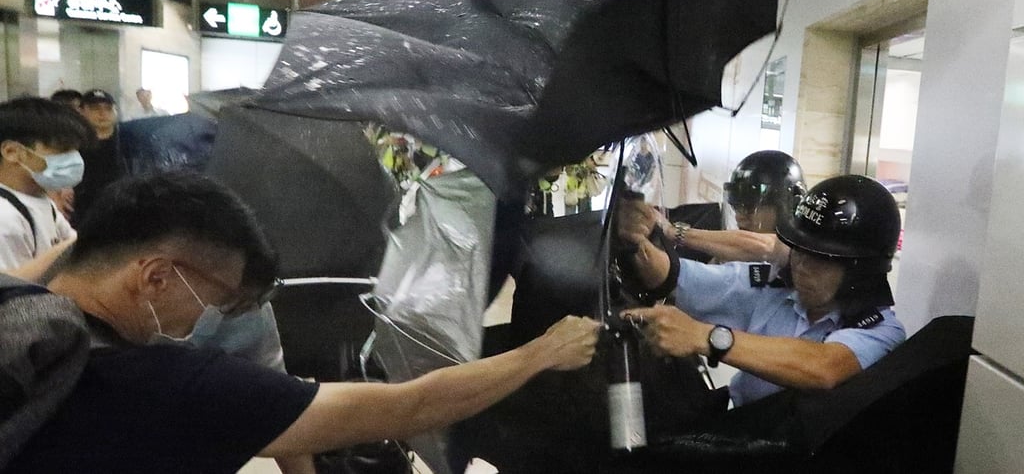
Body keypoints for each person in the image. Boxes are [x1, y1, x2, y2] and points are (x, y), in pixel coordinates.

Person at [6, 172, 599, 473]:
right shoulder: (171, 385)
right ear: (156, 277)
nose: (210, 319)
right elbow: (411, 407)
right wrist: (540, 353)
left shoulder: (15, 309)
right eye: (219, 299)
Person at [617, 174, 906, 407]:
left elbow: (823, 366)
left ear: (861, 271)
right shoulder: (772, 287)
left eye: (821, 259)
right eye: (799, 250)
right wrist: (635, 241)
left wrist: (706, 337)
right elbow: (673, 276)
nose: (802, 266)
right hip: (746, 437)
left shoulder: (881, 331)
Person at [643, 150, 806, 268]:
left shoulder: (797, 254)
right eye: (736, 207)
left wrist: (673, 231)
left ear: (787, 206)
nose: (739, 217)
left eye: (750, 207)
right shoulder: (731, 256)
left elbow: (768, 247)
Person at [0, 98, 92, 272]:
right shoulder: (4, 217)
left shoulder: (39, 200)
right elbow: (12, 290)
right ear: (12, 152)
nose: (74, 160)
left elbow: (76, 249)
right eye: (62, 150)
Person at [73, 88, 127, 226]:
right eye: (95, 108)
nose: (103, 113)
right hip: (82, 213)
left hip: (123, 209)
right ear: (81, 111)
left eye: (108, 109)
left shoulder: (129, 140)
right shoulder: (71, 144)